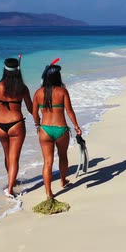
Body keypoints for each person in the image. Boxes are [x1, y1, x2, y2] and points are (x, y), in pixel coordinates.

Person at [32, 63, 82, 199]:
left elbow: (34, 112)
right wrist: (76, 126)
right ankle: (63, 180)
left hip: (45, 130)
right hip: (61, 129)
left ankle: (49, 193)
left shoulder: (38, 93)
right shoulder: (62, 92)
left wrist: (37, 125)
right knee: (63, 156)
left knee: (47, 162)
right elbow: (69, 111)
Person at [0, 58, 32, 198]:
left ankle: (11, 181)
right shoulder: (22, 88)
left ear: (4, 70)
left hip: (1, 125)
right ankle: (10, 189)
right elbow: (30, 108)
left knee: (7, 156)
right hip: (16, 124)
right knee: (14, 158)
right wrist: (39, 120)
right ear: (18, 71)